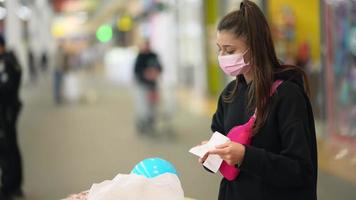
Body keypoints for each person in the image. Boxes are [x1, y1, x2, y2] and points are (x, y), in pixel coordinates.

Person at [198, 1, 317, 200]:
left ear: (254, 47)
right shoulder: (229, 94)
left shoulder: (288, 96)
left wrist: (246, 156)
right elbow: (219, 142)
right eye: (220, 49)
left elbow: (300, 169)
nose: (222, 57)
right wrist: (211, 156)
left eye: (230, 50)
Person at [0, 35, 24, 200]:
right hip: (11, 109)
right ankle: (15, 185)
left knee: (7, 149)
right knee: (12, 147)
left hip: (6, 111)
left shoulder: (6, 62)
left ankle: (9, 187)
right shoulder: (12, 60)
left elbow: (6, 87)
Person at [133, 40, 162, 134]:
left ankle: (151, 124)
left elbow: (160, 68)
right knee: (143, 106)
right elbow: (136, 71)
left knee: (152, 106)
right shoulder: (140, 57)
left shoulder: (154, 55)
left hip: (153, 86)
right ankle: (142, 124)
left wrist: (155, 73)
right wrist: (146, 74)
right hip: (143, 85)